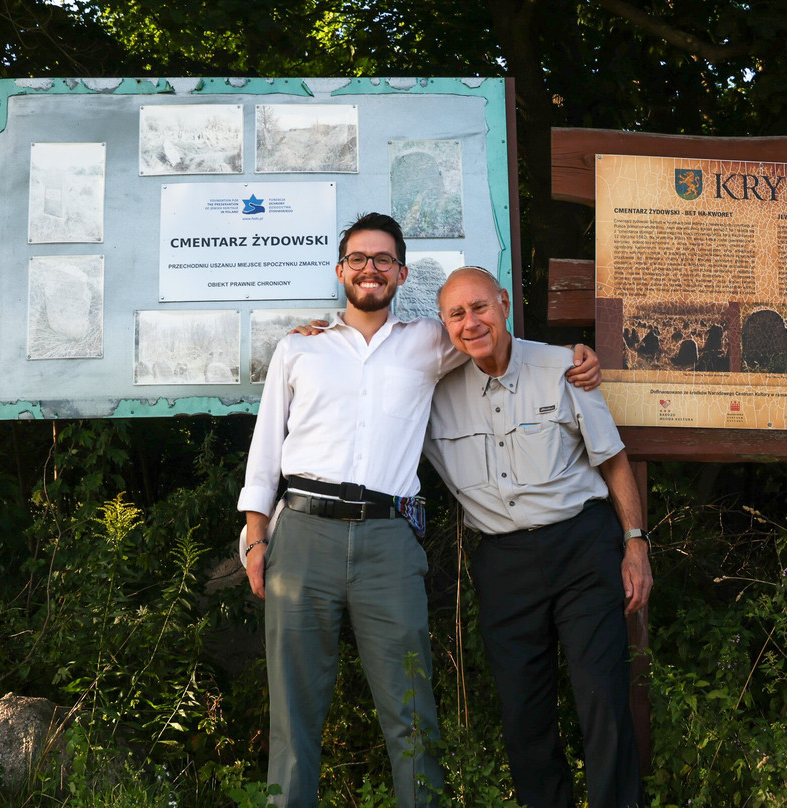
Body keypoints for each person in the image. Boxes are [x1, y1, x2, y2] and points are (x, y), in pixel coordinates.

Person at [238, 213, 600, 808]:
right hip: (301, 534)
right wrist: (255, 537)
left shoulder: (431, 341)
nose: (370, 268)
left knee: (411, 710)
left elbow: (493, 335)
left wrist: (572, 356)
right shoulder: (299, 348)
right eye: (358, 258)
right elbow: (265, 448)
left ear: (401, 273)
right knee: (294, 715)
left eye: (383, 259)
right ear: (340, 270)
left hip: (388, 541)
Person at [423, 267, 653, 808]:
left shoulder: (564, 368)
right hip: (503, 562)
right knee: (523, 713)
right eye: (456, 314)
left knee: (602, 697)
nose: (470, 322)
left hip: (582, 549)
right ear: (444, 324)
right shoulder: (431, 390)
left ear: (503, 304)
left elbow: (613, 459)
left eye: (479, 307)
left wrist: (636, 544)